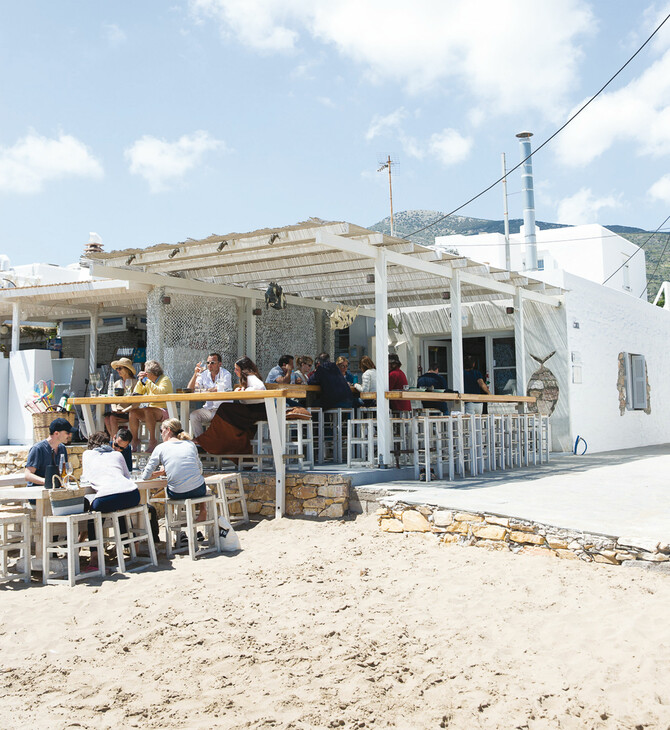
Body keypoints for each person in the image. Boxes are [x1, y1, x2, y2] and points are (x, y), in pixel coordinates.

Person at [81, 431, 142, 571]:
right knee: (120, 510)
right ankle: (133, 547)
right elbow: (127, 476)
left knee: (93, 515)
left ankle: (95, 557)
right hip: (132, 493)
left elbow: (86, 477)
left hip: (108, 495)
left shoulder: (88, 454)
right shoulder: (117, 454)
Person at [196, 357, 267, 455]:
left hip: (257, 411)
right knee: (225, 410)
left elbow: (260, 388)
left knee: (225, 408)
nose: (235, 371)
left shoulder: (251, 377)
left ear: (244, 370)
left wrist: (243, 391)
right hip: (252, 410)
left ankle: (208, 440)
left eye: (237, 369)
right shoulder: (246, 379)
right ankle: (209, 439)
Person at [142, 418, 207, 521]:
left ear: (168, 430)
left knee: (173, 487)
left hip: (177, 493)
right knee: (198, 480)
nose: (161, 434)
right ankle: (203, 510)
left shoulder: (160, 448)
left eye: (161, 430)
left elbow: (145, 476)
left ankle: (175, 520)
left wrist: (160, 472)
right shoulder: (190, 444)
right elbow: (200, 471)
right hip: (198, 490)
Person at [128, 359, 173, 452]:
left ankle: (152, 440)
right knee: (133, 412)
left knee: (148, 410)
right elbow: (137, 393)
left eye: (145, 372)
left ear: (151, 373)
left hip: (164, 410)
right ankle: (135, 439)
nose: (144, 373)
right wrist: (140, 382)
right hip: (151, 411)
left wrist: (146, 381)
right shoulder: (148, 381)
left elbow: (159, 392)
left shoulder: (164, 379)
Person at [186, 353, 232, 438]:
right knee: (194, 416)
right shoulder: (204, 374)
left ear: (219, 364)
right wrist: (195, 374)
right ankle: (201, 441)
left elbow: (217, 389)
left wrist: (203, 390)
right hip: (209, 409)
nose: (209, 365)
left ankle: (209, 443)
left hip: (222, 410)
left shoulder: (226, 374)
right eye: (208, 363)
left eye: (212, 363)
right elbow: (190, 389)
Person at [24, 417, 71, 486]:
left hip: (56, 491)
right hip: (38, 493)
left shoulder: (62, 448)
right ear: (56, 433)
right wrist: (47, 482)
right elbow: (27, 475)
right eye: (67, 433)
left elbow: (64, 472)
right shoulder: (38, 449)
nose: (70, 435)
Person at [104, 357, 138, 436]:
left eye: (120, 368)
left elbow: (136, 403)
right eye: (117, 369)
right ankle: (114, 439)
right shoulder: (117, 383)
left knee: (112, 418)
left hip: (130, 411)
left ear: (127, 369)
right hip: (118, 411)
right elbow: (112, 399)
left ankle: (115, 441)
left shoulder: (135, 383)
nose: (118, 371)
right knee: (106, 418)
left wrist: (125, 410)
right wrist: (114, 408)